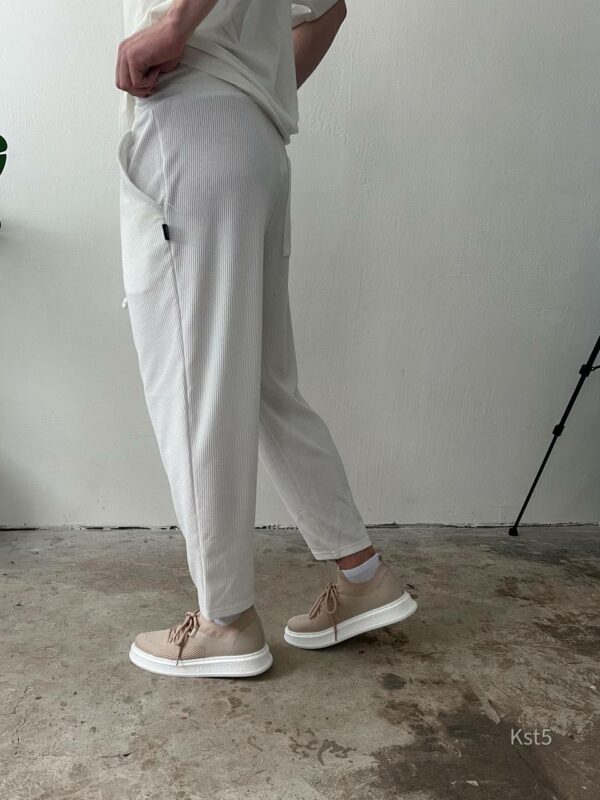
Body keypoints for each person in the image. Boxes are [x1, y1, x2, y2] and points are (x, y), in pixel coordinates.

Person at [115, 0, 417, 678]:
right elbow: (329, 8)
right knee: (262, 386)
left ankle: (224, 619)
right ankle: (362, 573)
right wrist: (256, 78)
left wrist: (176, 26)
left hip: (190, 130)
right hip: (251, 138)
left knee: (192, 384)